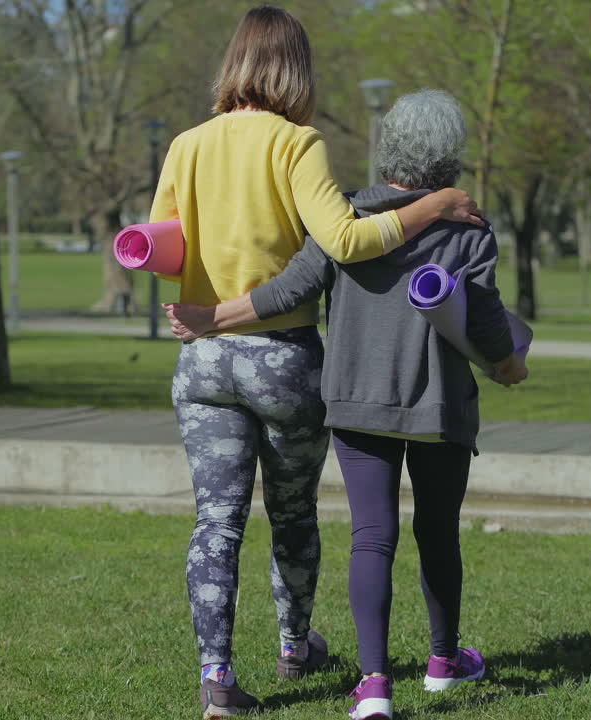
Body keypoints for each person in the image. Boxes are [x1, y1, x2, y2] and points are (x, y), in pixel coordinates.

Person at [147, 8, 485, 718]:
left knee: (216, 521)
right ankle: (296, 645)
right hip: (280, 357)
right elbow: (345, 240)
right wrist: (436, 206)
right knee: (293, 511)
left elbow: (163, 244)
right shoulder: (297, 142)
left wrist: (201, 300)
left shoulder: (185, 144)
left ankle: (216, 678)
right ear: (294, 70)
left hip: (203, 357)